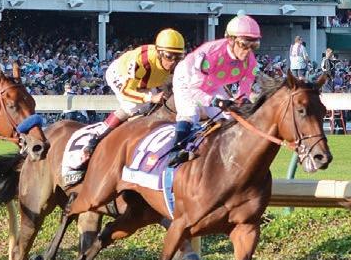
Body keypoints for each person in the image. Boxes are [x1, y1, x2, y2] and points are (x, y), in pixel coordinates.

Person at [71, 29, 186, 172]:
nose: (174, 62)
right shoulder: (142, 61)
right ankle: (96, 138)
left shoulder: (176, 64)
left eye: (178, 57)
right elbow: (127, 91)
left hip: (147, 80)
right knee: (133, 105)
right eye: (169, 57)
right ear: (159, 53)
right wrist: (151, 98)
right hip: (120, 76)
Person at [166, 14, 260, 167]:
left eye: (254, 46)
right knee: (190, 113)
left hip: (212, 83)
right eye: (244, 45)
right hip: (188, 79)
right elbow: (195, 90)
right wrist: (217, 101)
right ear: (231, 40)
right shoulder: (211, 54)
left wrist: (241, 100)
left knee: (230, 117)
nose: (248, 51)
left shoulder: (250, 61)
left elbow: (245, 87)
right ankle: (175, 152)